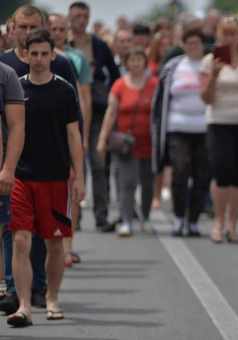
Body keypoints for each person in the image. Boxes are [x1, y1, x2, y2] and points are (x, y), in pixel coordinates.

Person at [0, 4, 80, 315]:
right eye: (33, 53)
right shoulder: (11, 78)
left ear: (51, 54)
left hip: (55, 175)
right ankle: (19, 300)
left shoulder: (63, 81)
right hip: (21, 172)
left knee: (52, 242)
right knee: (19, 237)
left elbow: (74, 131)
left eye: (44, 54)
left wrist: (79, 174)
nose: (38, 59)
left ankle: (47, 294)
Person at [200, 17, 238, 244]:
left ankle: (232, 225)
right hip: (218, 121)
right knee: (221, 172)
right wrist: (215, 75)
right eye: (225, 33)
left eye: (234, 33)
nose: (230, 38)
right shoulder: (210, 60)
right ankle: (218, 221)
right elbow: (205, 98)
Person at [151, 25, 211, 237]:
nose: (193, 47)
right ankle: (178, 218)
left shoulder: (210, 64)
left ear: (203, 45)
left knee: (202, 176)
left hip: (204, 128)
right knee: (180, 172)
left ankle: (193, 220)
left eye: (196, 43)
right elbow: (160, 99)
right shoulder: (173, 67)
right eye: (189, 43)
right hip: (176, 128)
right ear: (183, 45)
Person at [69, 1, 120, 232]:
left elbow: (115, 75)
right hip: (69, 110)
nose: (80, 20)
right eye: (77, 16)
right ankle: (73, 218)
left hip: (97, 108)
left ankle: (101, 215)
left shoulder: (98, 45)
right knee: (73, 164)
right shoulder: (61, 45)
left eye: (84, 16)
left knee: (99, 163)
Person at [96, 47, 156, 237]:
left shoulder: (155, 84)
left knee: (147, 182)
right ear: (127, 63)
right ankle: (126, 220)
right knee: (126, 183)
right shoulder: (119, 85)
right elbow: (111, 112)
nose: (136, 63)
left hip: (149, 142)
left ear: (145, 63)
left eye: (139, 59)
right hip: (125, 143)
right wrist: (102, 138)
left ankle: (145, 216)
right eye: (132, 60)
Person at [48, 12, 93, 267]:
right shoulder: (36, 55)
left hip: (70, 127)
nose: (57, 33)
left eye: (60, 29)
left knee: (72, 187)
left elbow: (82, 96)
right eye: (52, 28)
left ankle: (68, 244)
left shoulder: (72, 60)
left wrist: (82, 133)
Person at [0, 62, 24, 301]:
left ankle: (10, 288)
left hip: (2, 168)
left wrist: (8, 168)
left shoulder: (6, 75)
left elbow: (17, 126)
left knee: (7, 228)